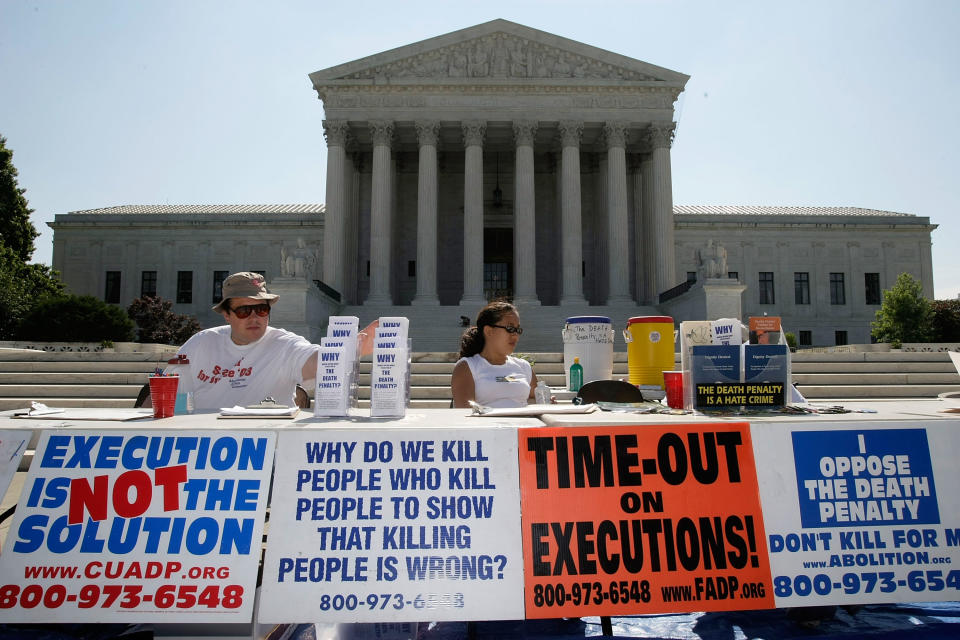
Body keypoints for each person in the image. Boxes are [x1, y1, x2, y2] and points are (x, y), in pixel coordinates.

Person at [170, 272, 321, 410]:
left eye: (262, 309)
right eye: (244, 311)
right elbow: (164, 393)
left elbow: (319, 361)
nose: (254, 318)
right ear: (227, 315)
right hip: (203, 435)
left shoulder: (285, 345)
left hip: (264, 436)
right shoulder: (200, 343)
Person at [451, 300, 540, 408]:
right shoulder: (467, 367)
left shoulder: (523, 366)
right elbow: (465, 414)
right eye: (510, 328)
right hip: (487, 425)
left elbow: (537, 400)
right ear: (489, 331)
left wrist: (547, 403)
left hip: (523, 424)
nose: (515, 336)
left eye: (517, 330)